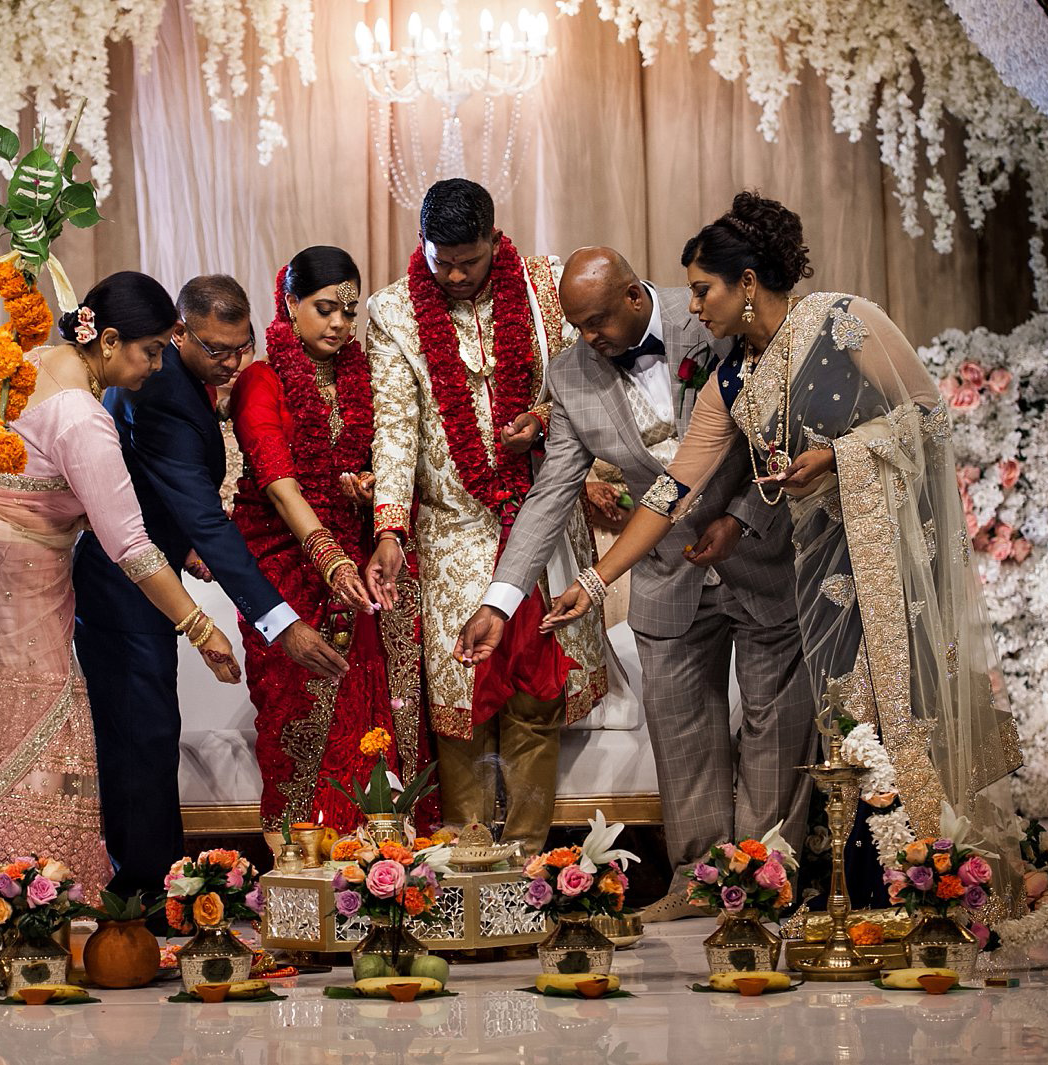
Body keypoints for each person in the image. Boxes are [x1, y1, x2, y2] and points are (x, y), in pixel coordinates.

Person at [542, 192, 1022, 861]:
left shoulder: (845, 319)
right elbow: (669, 492)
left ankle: (952, 867)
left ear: (746, 283)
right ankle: (877, 880)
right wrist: (594, 581)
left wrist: (841, 455)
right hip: (820, 577)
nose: (695, 306)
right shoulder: (732, 379)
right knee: (849, 729)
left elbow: (928, 415)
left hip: (886, 558)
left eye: (703, 289)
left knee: (908, 710)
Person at [455, 247, 815, 921]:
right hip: (664, 572)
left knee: (775, 723)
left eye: (597, 321)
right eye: (576, 324)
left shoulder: (709, 318)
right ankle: (701, 882)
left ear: (632, 296)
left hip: (756, 546)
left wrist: (739, 517)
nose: (588, 338)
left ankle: (765, 880)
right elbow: (550, 493)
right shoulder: (570, 375)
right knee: (683, 732)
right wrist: (499, 601)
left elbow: (776, 432)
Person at [0, 272, 242, 893]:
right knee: (32, 721)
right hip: (9, 580)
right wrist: (202, 628)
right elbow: (130, 545)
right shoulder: (83, 419)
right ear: (110, 339)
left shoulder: (41, 360)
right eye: (150, 351)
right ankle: (22, 895)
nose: (157, 365)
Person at [73, 274, 346, 896]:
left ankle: (162, 887)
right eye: (216, 350)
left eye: (241, 348)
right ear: (178, 332)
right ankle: (143, 894)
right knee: (141, 742)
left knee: (150, 735)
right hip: (124, 586)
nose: (231, 364)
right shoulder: (163, 392)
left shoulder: (178, 379)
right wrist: (280, 622)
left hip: (149, 567)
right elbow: (201, 514)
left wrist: (184, 542)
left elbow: (165, 501)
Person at [365, 179, 608, 856]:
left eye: (468, 261)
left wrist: (549, 418)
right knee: (462, 694)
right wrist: (389, 526)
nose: (454, 274)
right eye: (441, 259)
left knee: (537, 690)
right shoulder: (393, 313)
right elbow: (394, 431)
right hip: (451, 532)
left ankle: (529, 859)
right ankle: (465, 861)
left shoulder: (544, 291)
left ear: (495, 243)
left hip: (545, 513)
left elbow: (591, 382)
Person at [231, 247, 434, 852]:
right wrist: (326, 552)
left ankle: (383, 856)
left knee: (382, 696)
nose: (340, 324)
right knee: (297, 700)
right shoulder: (260, 380)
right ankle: (301, 858)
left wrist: (372, 490)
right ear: (289, 304)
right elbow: (275, 475)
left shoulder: (367, 374)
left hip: (365, 558)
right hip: (284, 566)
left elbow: (394, 456)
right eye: (325, 309)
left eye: (350, 310)